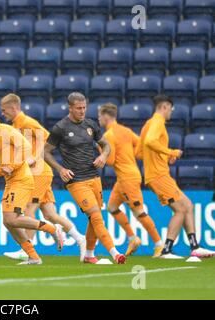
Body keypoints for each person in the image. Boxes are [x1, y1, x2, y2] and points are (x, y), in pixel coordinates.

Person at [0, 105, 64, 265]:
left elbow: (26, 148)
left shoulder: (4, 130)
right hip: (11, 181)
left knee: (13, 218)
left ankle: (52, 229)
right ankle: (34, 257)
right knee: (8, 221)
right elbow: (8, 160)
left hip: (22, 180)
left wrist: (10, 167)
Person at [0, 94, 86, 262]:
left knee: (29, 209)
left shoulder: (26, 122)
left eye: (4, 110)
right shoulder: (16, 124)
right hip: (40, 173)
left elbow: (49, 139)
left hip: (38, 172)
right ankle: (80, 239)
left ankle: (27, 249)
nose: (3, 113)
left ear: (13, 108)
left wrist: (34, 157)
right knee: (50, 215)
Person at [44, 92, 126, 264]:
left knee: (93, 219)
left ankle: (89, 254)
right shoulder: (60, 128)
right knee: (96, 216)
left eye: (84, 108)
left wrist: (103, 156)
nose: (82, 111)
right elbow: (45, 152)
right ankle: (115, 253)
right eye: (78, 108)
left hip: (94, 178)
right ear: (70, 108)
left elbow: (106, 145)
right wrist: (60, 169)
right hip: (76, 180)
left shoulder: (91, 125)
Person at [137, 94, 215, 259]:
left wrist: (163, 157)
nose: (171, 112)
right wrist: (169, 152)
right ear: (165, 107)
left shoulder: (147, 124)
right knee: (180, 209)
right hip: (159, 175)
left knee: (187, 205)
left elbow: (139, 152)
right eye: (171, 109)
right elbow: (150, 141)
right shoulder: (158, 122)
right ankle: (166, 250)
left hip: (155, 174)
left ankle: (194, 246)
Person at [98, 103, 163, 257]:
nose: (99, 119)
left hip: (127, 178)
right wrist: (129, 155)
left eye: (100, 116)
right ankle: (132, 238)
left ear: (106, 116)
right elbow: (140, 148)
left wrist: (100, 149)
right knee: (112, 207)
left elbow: (110, 161)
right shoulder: (126, 131)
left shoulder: (108, 135)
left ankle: (159, 244)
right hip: (125, 177)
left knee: (138, 212)